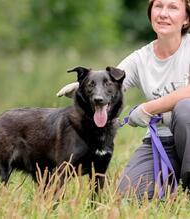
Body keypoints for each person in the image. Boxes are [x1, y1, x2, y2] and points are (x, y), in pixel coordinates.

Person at [57, 0, 190, 200]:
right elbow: (111, 84)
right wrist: (84, 87)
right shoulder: (140, 58)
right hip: (162, 140)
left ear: (186, 18)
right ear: (150, 12)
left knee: (185, 109)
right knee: (128, 196)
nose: (163, 13)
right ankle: (174, 181)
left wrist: (147, 109)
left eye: (172, 7)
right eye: (158, 6)